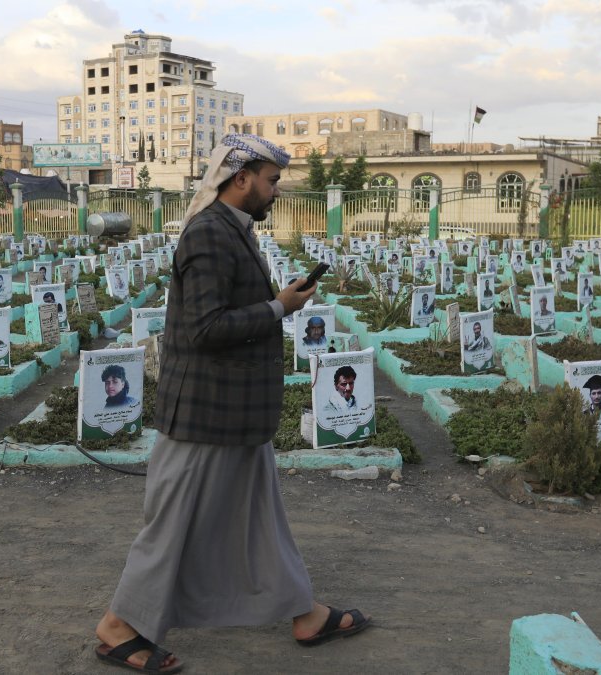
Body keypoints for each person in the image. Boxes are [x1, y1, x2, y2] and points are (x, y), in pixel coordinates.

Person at [95, 134, 369, 674]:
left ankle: (303, 612)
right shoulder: (208, 234)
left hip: (236, 414)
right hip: (204, 413)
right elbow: (204, 329)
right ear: (240, 178)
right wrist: (277, 307)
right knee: (172, 522)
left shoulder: (230, 230)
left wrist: (277, 302)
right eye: (271, 181)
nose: (276, 191)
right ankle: (118, 626)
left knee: (260, 517)